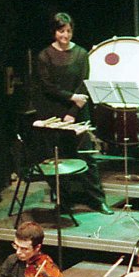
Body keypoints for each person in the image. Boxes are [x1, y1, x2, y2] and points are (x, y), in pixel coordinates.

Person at [32, 12, 111, 214]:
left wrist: (74, 111)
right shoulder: (44, 56)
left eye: (68, 31)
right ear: (54, 32)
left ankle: (97, 200)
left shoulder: (81, 54)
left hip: (77, 112)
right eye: (61, 31)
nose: (65, 35)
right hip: (54, 112)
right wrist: (70, 99)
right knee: (59, 158)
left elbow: (84, 84)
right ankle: (64, 201)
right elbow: (47, 86)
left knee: (86, 156)